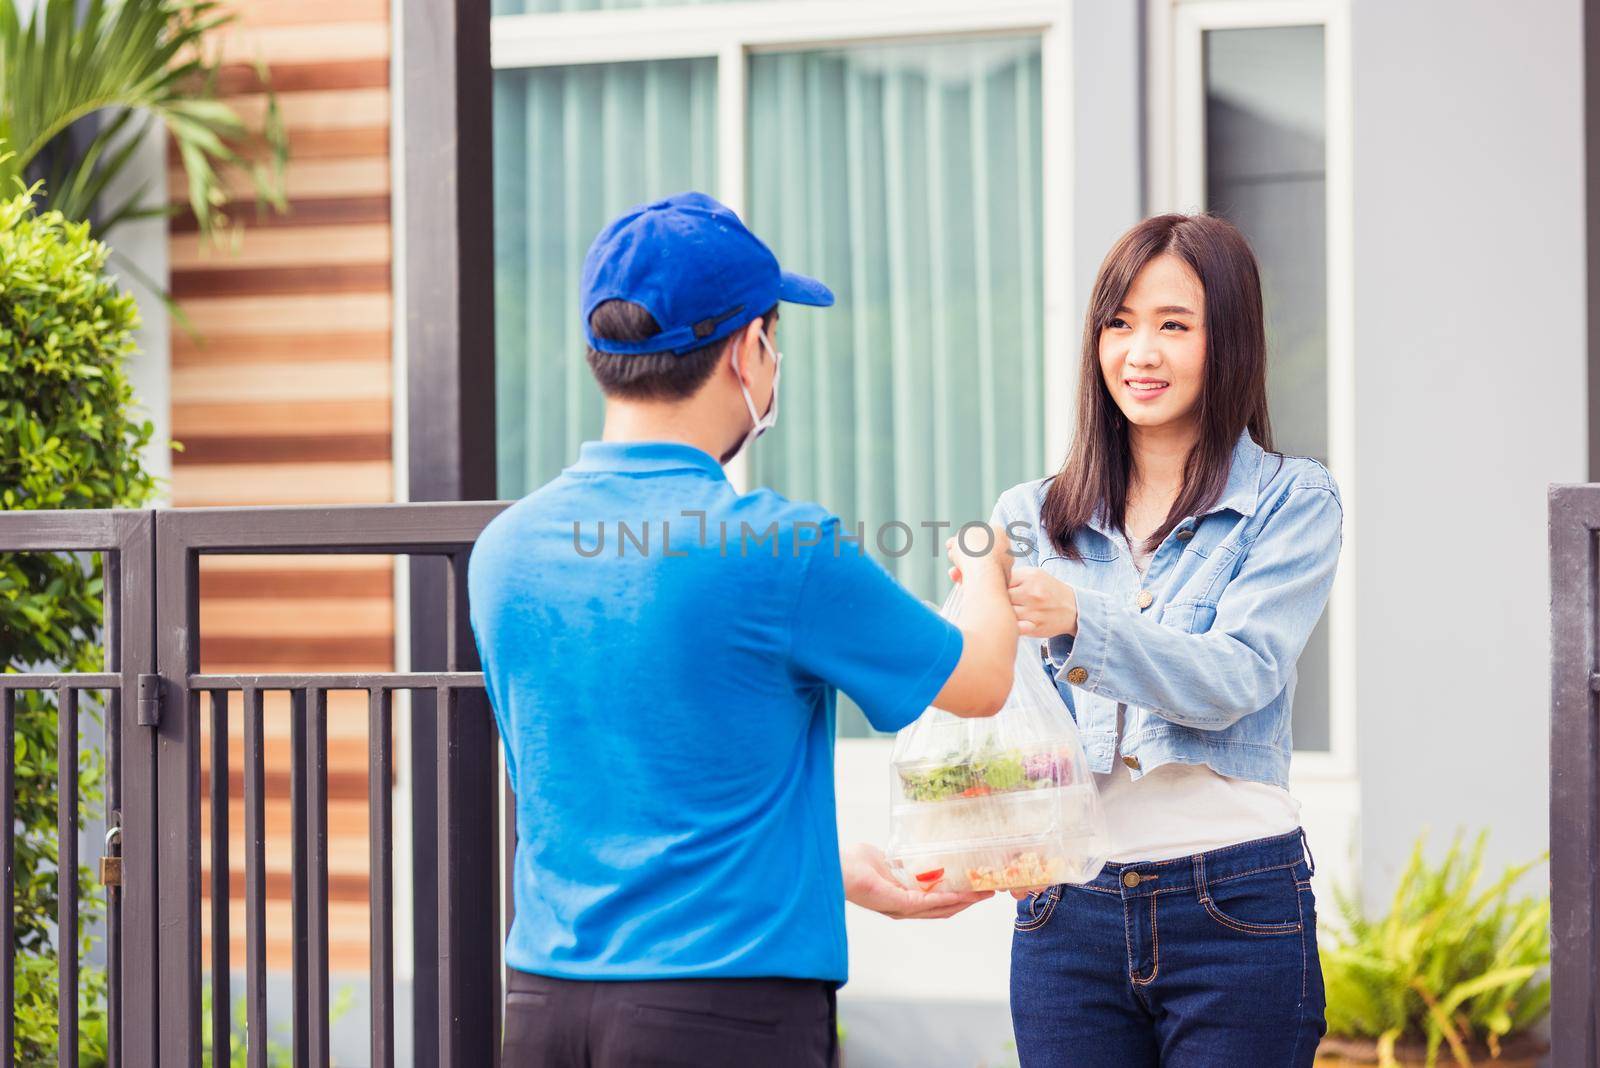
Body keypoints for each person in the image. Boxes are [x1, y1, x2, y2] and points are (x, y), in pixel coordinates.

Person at [468, 191, 1020, 1068]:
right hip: (723, 1014)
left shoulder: (503, 552)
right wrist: (987, 558)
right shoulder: (779, 545)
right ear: (747, 351)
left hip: (543, 1006)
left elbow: (607, 792)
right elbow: (981, 679)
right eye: (775, 339)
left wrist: (821, 869)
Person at [987, 213, 1340, 1065]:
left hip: (1235, 903)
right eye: (1119, 323)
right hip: (1065, 913)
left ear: (1231, 342)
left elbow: (1238, 674)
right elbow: (999, 706)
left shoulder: (1293, 500)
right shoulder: (1029, 517)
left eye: (1173, 326)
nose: (1139, 353)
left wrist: (1079, 621)